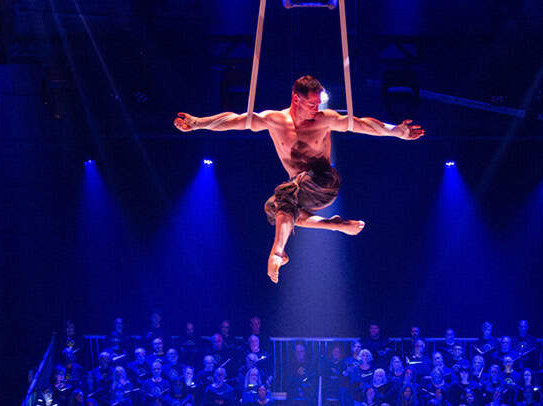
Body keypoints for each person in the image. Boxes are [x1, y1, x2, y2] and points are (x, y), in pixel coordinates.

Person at [174, 75, 425, 283]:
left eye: (318, 103)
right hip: (298, 189)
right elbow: (236, 121)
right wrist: (197, 123)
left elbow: (361, 124)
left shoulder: (323, 120)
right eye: (311, 104)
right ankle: (335, 225)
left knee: (285, 196)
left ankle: (278, 251)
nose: (317, 108)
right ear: (296, 98)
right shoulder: (276, 120)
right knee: (274, 208)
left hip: (324, 182)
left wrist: (397, 131)